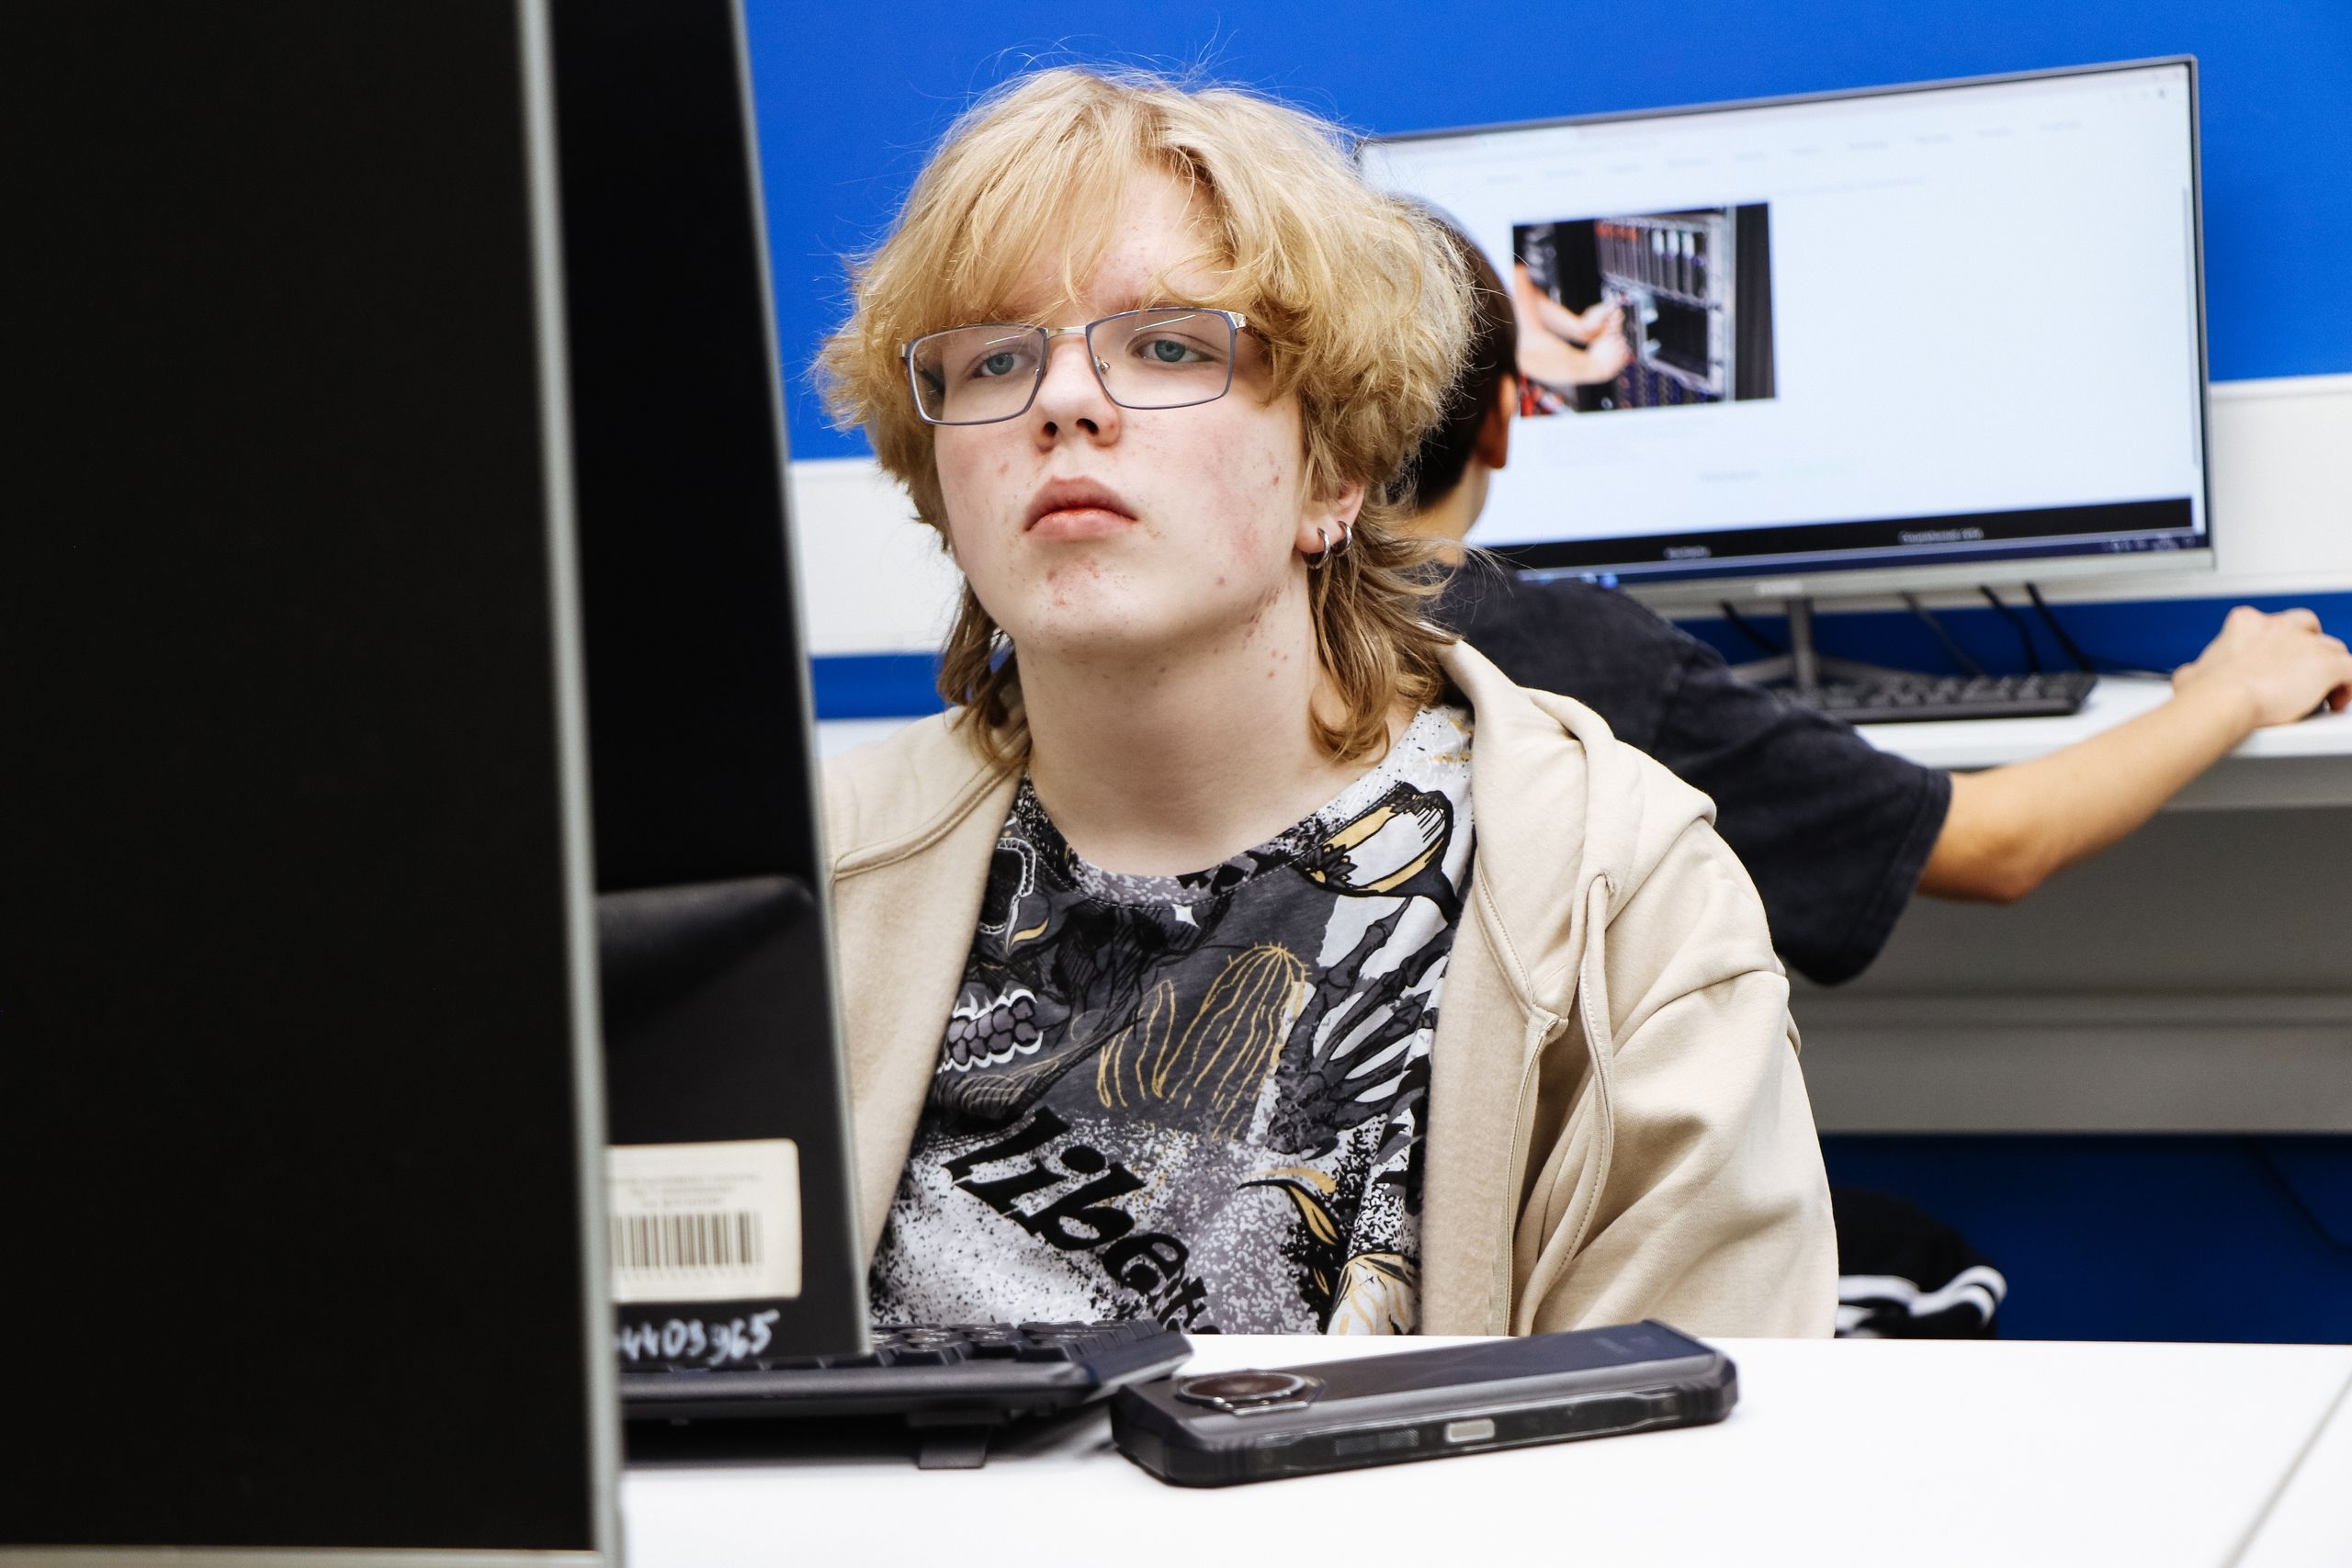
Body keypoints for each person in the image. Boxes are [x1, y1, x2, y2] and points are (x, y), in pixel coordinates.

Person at [814, 67, 1835, 1339]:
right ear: (940, 479)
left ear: (1332, 473)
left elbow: (1692, 1436)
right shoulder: (805, 885)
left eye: (1169, 345)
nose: (1064, 401)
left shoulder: (1621, 901)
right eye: (994, 360)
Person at [1406, 222, 2352, 988]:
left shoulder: (1335, 638)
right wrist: (2231, 692)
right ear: (1503, 419)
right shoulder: (1571, 657)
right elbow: (1995, 846)